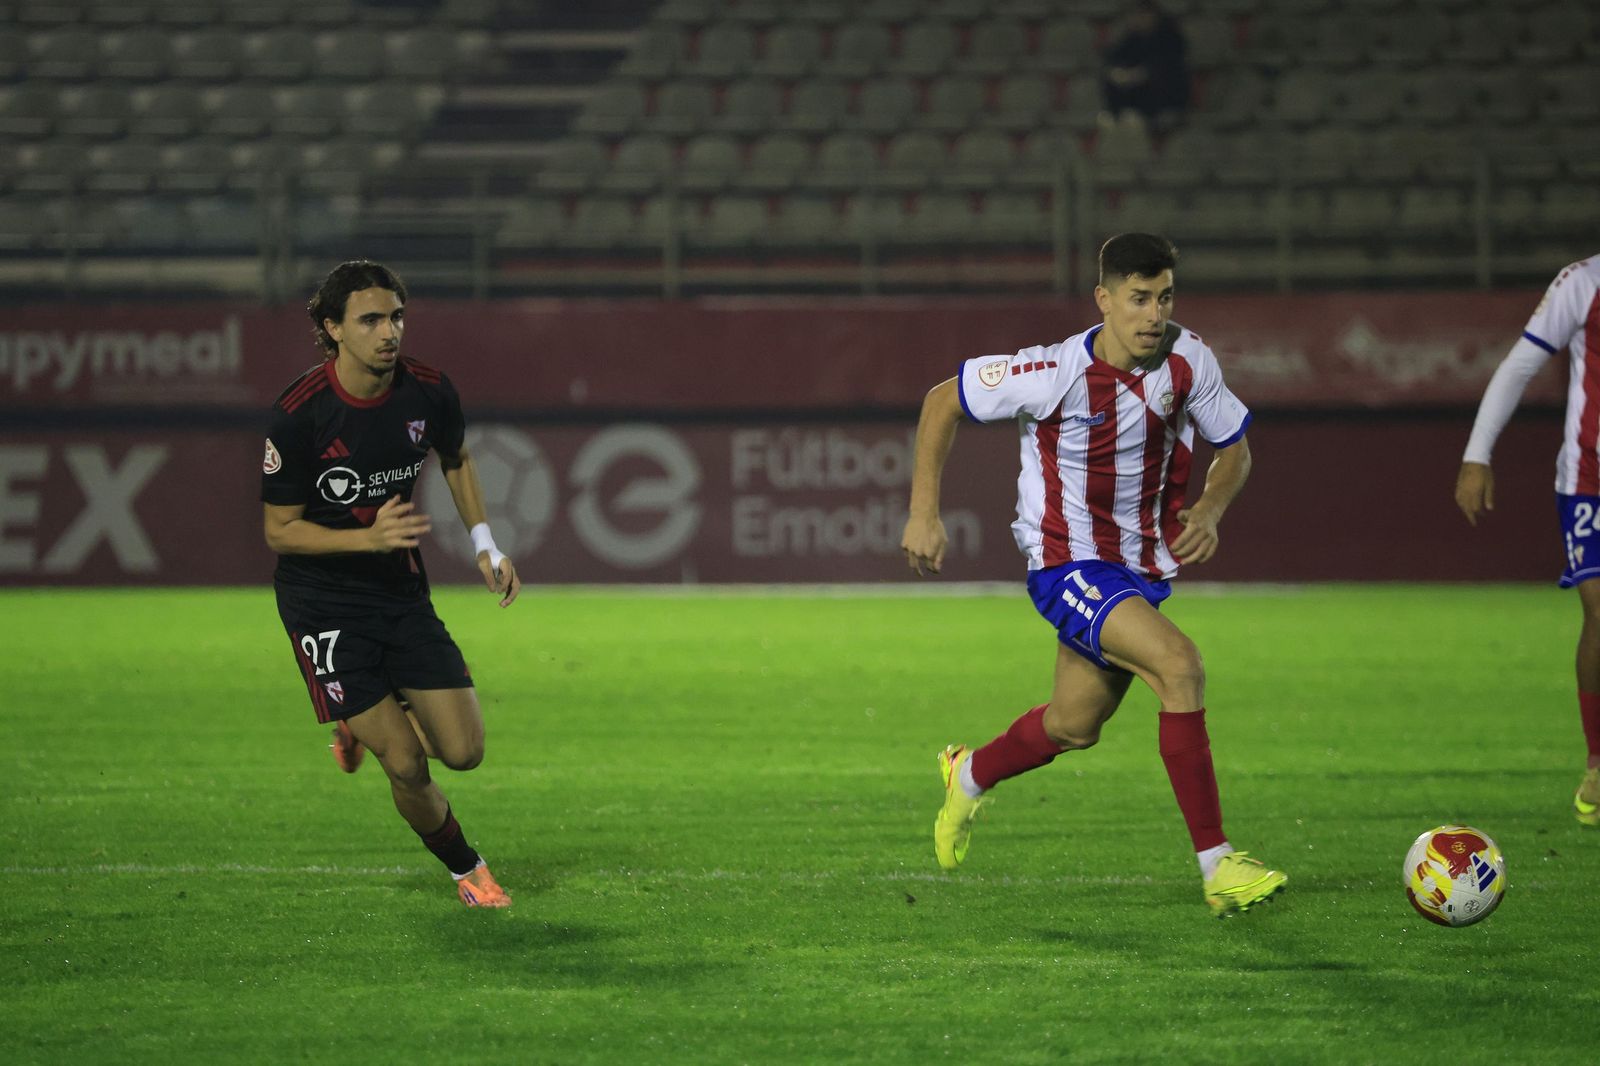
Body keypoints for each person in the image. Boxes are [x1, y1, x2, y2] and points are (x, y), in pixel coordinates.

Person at [900, 233, 1286, 917]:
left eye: (1164, 297)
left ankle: (970, 774)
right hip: (1068, 565)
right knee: (1180, 666)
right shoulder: (1052, 372)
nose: (1154, 315)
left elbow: (1236, 450)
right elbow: (940, 401)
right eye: (1138, 299)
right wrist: (923, 513)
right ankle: (1218, 864)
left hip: (1138, 572)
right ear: (1104, 299)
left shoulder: (1190, 360)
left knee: (1073, 725)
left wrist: (1210, 508)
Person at [261, 260, 522, 907]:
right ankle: (468, 870)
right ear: (333, 328)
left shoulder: (427, 392)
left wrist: (485, 544)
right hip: (321, 605)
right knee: (405, 763)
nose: (389, 332)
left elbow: (456, 457)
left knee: (464, 751)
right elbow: (280, 531)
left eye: (397, 317)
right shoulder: (299, 413)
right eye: (371, 320)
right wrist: (365, 540)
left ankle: (362, 721)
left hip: (398, 593)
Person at [1456, 254, 1600, 827]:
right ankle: (1597, 762)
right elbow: (1521, 364)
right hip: (1590, 481)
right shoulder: (1584, 281)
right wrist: (1477, 454)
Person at [1099, 0, 1190, 130]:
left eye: (1143, 14)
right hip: (1137, 91)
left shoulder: (1170, 36)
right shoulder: (1132, 38)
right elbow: (1113, 58)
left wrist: (1140, 74)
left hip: (1165, 96)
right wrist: (1118, 73)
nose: (1138, 19)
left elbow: (1167, 66)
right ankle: (1119, 116)